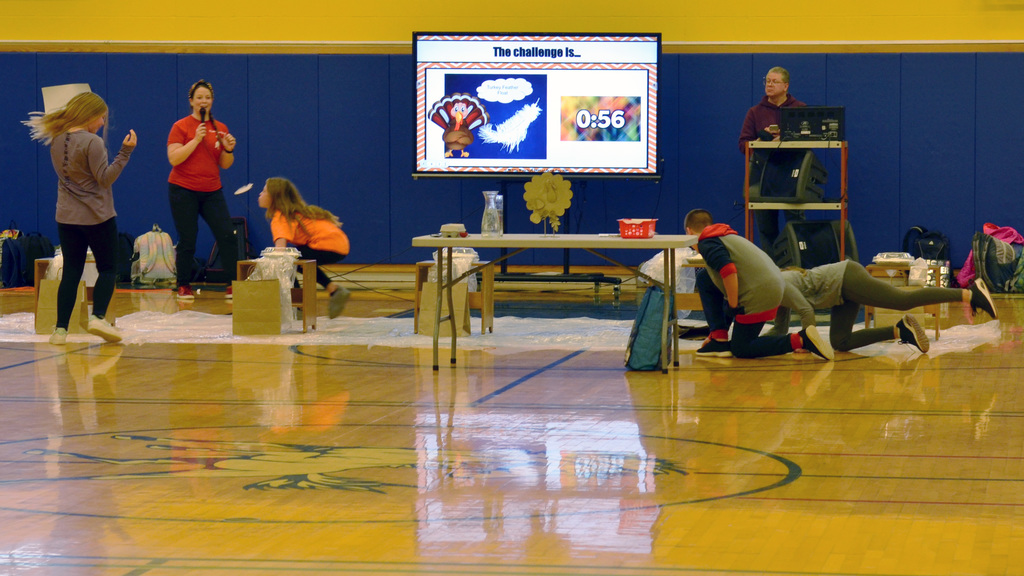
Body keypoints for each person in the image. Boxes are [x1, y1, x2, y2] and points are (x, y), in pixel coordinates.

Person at [23, 91, 137, 345]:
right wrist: (125, 152)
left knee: (71, 272)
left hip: (66, 217)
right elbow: (104, 178)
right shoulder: (92, 142)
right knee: (108, 268)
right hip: (97, 217)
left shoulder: (56, 139)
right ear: (91, 115)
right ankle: (97, 318)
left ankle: (60, 330)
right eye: (102, 118)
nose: (103, 123)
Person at [686, 208, 832, 361]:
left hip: (760, 293)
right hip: (772, 286)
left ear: (688, 232)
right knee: (704, 278)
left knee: (741, 348)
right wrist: (717, 333)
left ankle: (801, 340)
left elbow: (728, 270)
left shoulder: (706, 241)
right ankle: (719, 339)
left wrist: (732, 304)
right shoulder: (722, 236)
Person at [768, 260, 998, 353]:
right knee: (840, 342)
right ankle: (900, 330)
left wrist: (806, 345)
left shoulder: (778, 284)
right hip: (839, 295)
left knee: (900, 300)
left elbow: (807, 313)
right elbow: (780, 329)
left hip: (846, 278)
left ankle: (969, 293)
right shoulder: (775, 292)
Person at [166, 79, 239, 300]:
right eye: (199, 97)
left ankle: (233, 284)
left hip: (211, 190)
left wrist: (228, 149)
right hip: (183, 189)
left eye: (207, 97)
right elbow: (174, 158)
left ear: (212, 101)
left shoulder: (221, 128)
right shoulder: (181, 126)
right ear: (191, 101)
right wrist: (195, 140)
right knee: (188, 238)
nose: (203, 101)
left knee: (227, 234)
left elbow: (225, 164)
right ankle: (184, 285)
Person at [257, 177, 351, 318]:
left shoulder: (281, 216)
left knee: (286, 263)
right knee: (297, 262)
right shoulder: (295, 212)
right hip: (340, 244)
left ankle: (298, 307)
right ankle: (333, 289)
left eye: (264, 191)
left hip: (328, 245)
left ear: (274, 197)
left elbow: (280, 251)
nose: (260, 194)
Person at [738, 66, 807, 253]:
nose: (769, 85)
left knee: (796, 226)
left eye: (774, 81)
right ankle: (772, 271)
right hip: (763, 178)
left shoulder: (799, 109)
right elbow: (743, 144)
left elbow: (808, 140)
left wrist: (785, 138)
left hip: (792, 177)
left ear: (786, 86)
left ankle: (798, 269)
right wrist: (760, 142)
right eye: (767, 81)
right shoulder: (755, 112)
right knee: (766, 229)